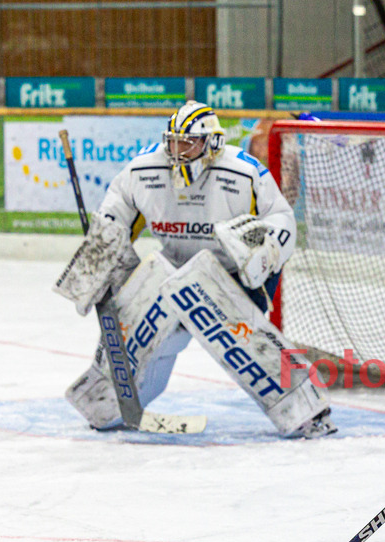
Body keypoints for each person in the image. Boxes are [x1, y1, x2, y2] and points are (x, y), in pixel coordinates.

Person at [54, 100, 334, 438]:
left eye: (187, 143)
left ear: (212, 144)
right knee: (135, 317)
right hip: (174, 267)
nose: (177, 151)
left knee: (235, 333)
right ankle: (106, 401)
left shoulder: (243, 172)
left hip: (236, 275)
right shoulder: (143, 170)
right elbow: (114, 217)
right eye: (172, 142)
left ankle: (304, 407)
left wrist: (263, 249)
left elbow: (282, 218)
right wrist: (97, 264)